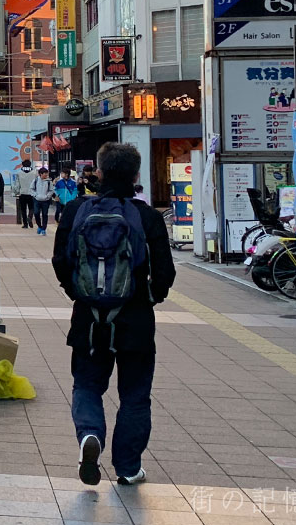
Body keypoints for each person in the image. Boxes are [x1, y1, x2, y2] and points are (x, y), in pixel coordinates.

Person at [52, 142, 175, 488]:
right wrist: (149, 297)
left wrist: (78, 293)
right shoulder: (147, 216)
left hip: (88, 320)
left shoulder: (76, 210)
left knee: (87, 385)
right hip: (135, 321)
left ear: (100, 173)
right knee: (135, 394)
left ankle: (90, 434)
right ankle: (128, 466)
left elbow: (61, 262)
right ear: (136, 176)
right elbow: (164, 273)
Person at [13, 159, 37, 228]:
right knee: (32, 208)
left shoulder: (19, 173)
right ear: (30, 164)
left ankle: (25, 224)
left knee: (23, 209)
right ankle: (30, 217)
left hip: (22, 193)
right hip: (31, 193)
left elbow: (17, 184)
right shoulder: (34, 173)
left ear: (22, 165)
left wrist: (16, 192)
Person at [31, 166, 56, 235]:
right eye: (44, 174)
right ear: (40, 174)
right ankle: (39, 226)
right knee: (36, 213)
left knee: (45, 214)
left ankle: (44, 229)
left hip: (46, 200)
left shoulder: (49, 181)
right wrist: (35, 195)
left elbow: (51, 190)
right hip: (37, 199)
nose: (46, 175)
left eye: (46, 174)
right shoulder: (35, 180)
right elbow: (31, 189)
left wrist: (47, 196)